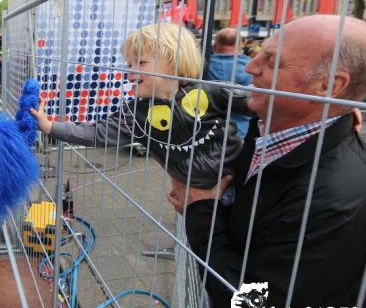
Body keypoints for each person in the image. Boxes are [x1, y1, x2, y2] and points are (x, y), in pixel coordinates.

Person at [168, 15, 366, 308]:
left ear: (329, 86)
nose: (250, 66)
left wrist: (202, 211)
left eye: (273, 61)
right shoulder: (275, 128)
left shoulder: (336, 199)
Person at [29, 23, 248, 194]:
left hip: (241, 183)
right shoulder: (137, 113)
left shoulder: (211, 92)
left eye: (140, 63)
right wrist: (50, 127)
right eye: (129, 65)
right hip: (194, 192)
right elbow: (97, 133)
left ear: (174, 63)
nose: (131, 71)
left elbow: (258, 101)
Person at [204, 27, 253, 139]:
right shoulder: (252, 66)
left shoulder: (203, 66)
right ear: (240, 45)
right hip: (242, 132)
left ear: (215, 46)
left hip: (207, 130)